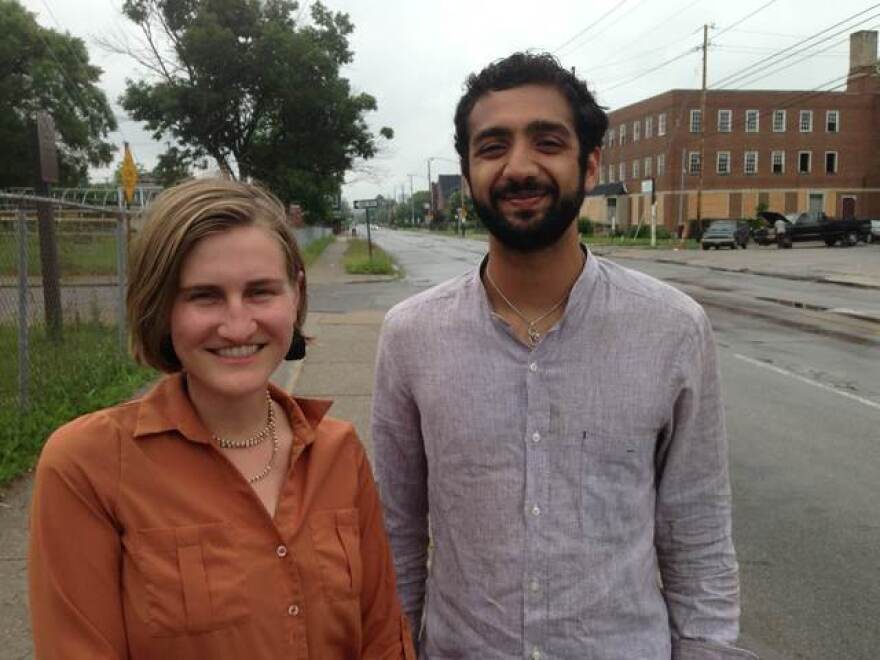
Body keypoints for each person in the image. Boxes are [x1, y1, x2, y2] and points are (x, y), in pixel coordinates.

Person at [372, 53, 756, 659]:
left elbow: (697, 532)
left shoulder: (673, 328)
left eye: (547, 142)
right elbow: (396, 533)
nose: (519, 167)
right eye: (492, 147)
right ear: (469, 171)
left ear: (590, 162)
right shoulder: (410, 335)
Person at [28, 178, 415, 659]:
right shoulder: (87, 467)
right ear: (161, 305)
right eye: (204, 296)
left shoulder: (339, 452)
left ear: (295, 294)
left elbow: (381, 638)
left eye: (260, 292)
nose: (236, 325)